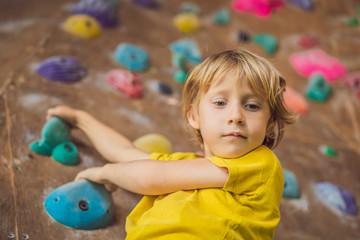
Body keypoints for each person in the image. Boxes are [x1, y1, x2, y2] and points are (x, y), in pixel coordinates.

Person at [47, 49, 298, 239]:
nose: (236, 115)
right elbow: (125, 153)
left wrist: (105, 173)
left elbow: (150, 177)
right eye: (220, 103)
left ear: (269, 121)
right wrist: (81, 119)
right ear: (194, 116)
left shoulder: (261, 164)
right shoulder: (185, 167)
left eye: (252, 106)